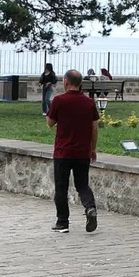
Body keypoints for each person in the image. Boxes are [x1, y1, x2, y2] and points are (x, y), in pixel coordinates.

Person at [45, 69, 98, 234]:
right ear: (80, 83)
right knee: (82, 185)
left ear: (66, 82)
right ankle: (90, 208)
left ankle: (63, 223)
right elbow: (94, 127)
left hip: (63, 152)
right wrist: (93, 148)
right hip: (83, 151)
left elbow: (50, 123)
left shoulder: (59, 100)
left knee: (61, 187)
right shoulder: (89, 103)